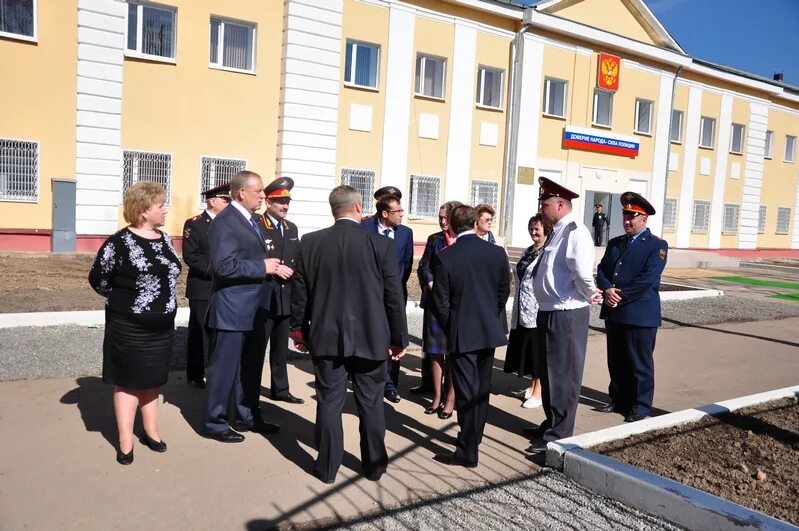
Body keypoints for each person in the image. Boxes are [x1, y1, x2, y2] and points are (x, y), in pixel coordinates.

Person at [290, 185, 408, 484]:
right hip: (371, 336)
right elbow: (394, 296)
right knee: (370, 402)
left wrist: (298, 329)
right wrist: (399, 338)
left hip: (327, 335)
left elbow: (300, 293)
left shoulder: (311, 242)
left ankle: (327, 467)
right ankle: (374, 466)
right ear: (358, 208)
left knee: (329, 401)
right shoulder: (380, 244)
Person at [88, 181, 181, 465]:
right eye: (160, 205)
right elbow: (98, 279)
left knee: (152, 380)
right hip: (128, 327)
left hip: (161, 328)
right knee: (128, 383)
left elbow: (172, 273)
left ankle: (151, 431)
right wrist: (129, 302)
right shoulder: (119, 242)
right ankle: (126, 439)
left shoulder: (165, 239)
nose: (165, 210)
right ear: (143, 210)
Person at [203, 170, 285, 443]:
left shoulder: (249, 220)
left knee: (249, 368)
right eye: (259, 191)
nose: (264, 196)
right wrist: (261, 266)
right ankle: (215, 422)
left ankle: (247, 416)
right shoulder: (226, 221)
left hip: (252, 308)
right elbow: (224, 266)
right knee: (224, 370)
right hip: (231, 309)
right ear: (241, 193)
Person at [526, 177, 603, 454]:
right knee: (548, 373)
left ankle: (559, 435)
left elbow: (582, 272)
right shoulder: (557, 230)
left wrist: (590, 294)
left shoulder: (575, 231)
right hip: (549, 311)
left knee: (564, 375)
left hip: (567, 312)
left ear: (560, 204)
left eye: (545, 203)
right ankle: (552, 422)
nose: (541, 209)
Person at [430, 205, 510, 468]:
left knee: (466, 392)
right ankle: (474, 438)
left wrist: (453, 325)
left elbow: (440, 302)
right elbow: (502, 293)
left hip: (462, 334)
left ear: (452, 226)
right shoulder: (496, 253)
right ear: (475, 223)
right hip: (487, 331)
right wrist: (488, 316)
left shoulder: (446, 257)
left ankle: (466, 451)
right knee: (481, 389)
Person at [596, 192, 668, 423]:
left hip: (639, 313)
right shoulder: (616, 243)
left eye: (632, 217)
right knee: (616, 360)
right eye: (625, 216)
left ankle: (640, 405)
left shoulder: (656, 245)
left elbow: (648, 279)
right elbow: (603, 270)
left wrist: (620, 295)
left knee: (639, 363)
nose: (627, 221)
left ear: (644, 218)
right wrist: (607, 289)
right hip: (615, 312)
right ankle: (619, 399)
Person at [241, 177, 304, 413]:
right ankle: (250, 395)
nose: (285, 206)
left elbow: (296, 263)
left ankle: (281, 389)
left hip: (284, 297)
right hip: (263, 297)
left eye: (287, 201)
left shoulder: (292, 228)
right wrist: (273, 268)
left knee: (280, 348)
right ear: (268, 202)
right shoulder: (257, 224)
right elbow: (250, 257)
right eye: (280, 202)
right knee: (257, 350)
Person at [362, 186, 413, 404]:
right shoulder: (364, 227)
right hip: (368, 295)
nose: (402, 214)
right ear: (384, 213)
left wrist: (393, 289)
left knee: (395, 337)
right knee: (369, 337)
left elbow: (407, 265)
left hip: (394, 296)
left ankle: (391, 385)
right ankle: (368, 378)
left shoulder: (405, 233)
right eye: (398, 211)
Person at [416, 200, 463, 418]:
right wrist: (430, 281)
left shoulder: (464, 240)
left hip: (457, 306)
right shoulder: (434, 239)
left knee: (453, 353)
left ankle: (450, 398)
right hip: (435, 303)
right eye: (440, 217)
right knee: (435, 353)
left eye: (446, 217)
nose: (442, 221)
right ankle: (437, 395)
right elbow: (424, 264)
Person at [181, 183, 230, 389]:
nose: (229, 203)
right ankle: (196, 373)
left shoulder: (228, 223)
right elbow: (191, 256)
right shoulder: (195, 224)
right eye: (225, 200)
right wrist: (217, 269)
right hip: (203, 285)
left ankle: (215, 371)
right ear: (212, 201)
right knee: (200, 331)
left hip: (223, 286)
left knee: (219, 331)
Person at [504, 214, 551, 409]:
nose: (533, 232)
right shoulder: (528, 251)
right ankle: (532, 386)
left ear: (546, 230)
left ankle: (539, 392)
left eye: (537, 228)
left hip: (537, 310)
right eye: (531, 228)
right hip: (522, 309)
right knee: (526, 348)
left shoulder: (547, 252)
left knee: (537, 351)